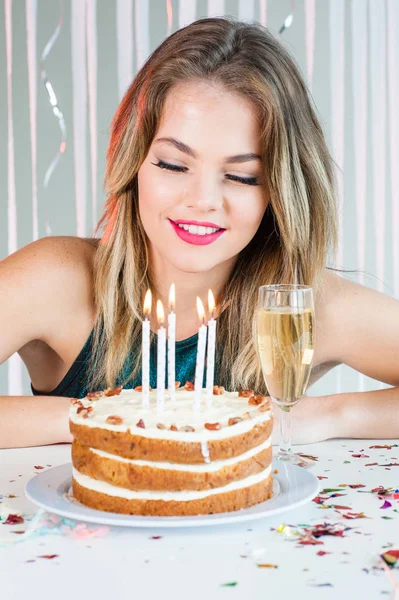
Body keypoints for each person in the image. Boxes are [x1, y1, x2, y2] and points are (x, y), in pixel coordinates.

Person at [0, 17, 398, 450]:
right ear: (133, 164)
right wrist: (99, 415)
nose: (202, 199)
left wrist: (325, 415)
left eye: (243, 176)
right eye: (173, 165)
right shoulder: (57, 279)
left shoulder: (300, 310)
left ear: (280, 191)